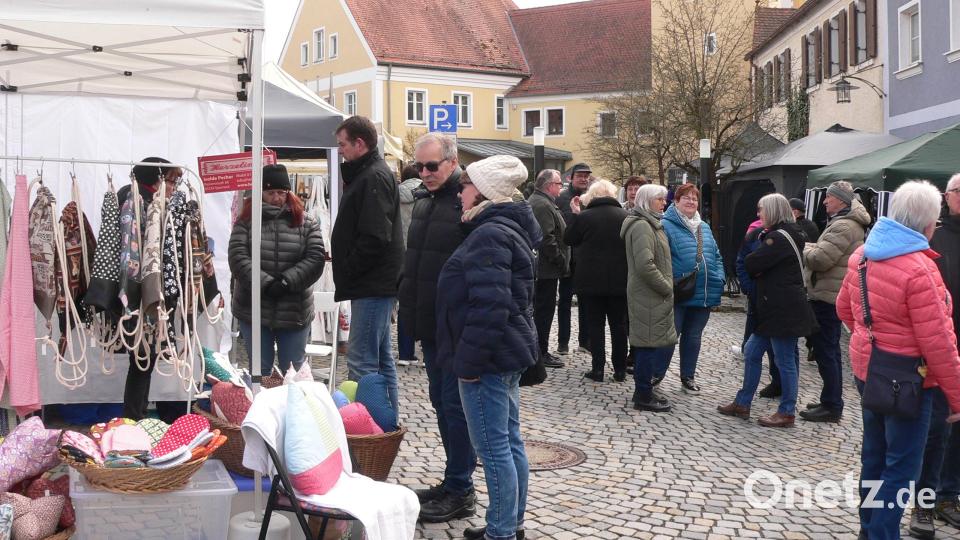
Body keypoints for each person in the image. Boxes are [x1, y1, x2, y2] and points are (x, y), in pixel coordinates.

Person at [836, 180, 960, 539]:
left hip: (869, 370)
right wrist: (956, 396)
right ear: (928, 223)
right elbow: (939, 342)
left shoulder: (862, 255)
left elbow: (845, 309)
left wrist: (869, 338)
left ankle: (868, 529)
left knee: (873, 458)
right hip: (908, 380)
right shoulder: (921, 269)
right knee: (901, 469)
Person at [435, 155, 539, 540]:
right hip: (503, 353)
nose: (459, 193)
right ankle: (510, 525)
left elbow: (490, 306)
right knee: (508, 443)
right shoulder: (500, 228)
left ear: (480, 192)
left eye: (463, 186)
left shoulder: (490, 234)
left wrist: (470, 363)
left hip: (489, 359)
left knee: (496, 449)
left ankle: (501, 532)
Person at [398, 133, 477, 523]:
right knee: (442, 405)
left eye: (432, 166)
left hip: (456, 328)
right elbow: (417, 269)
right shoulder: (426, 202)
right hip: (432, 326)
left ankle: (461, 488)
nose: (425, 173)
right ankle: (454, 480)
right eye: (420, 166)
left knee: (455, 407)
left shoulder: (467, 202)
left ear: (452, 161)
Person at [718, 194, 816, 427]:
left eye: (761, 209)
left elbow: (752, 263)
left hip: (782, 309)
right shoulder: (784, 234)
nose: (759, 214)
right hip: (772, 308)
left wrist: (758, 269)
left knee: (785, 361)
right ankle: (743, 403)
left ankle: (787, 412)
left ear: (772, 211)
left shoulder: (779, 238)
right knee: (751, 352)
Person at [331, 115, 404, 412]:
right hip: (374, 283)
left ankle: (369, 428)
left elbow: (375, 236)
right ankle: (386, 422)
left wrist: (349, 267)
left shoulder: (373, 176)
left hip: (372, 283)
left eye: (343, 145)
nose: (340, 151)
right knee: (381, 360)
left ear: (360, 144)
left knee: (362, 361)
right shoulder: (370, 173)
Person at [229, 164, 326, 376]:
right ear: (261, 193)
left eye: (281, 192)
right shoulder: (245, 222)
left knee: (293, 371)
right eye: (271, 192)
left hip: (294, 309)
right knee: (259, 372)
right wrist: (265, 283)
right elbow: (238, 258)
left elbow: (316, 257)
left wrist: (286, 281)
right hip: (254, 308)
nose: (276, 198)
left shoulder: (306, 222)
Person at [113, 158, 186, 422]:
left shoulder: (127, 197)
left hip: (131, 292)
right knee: (143, 358)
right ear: (158, 180)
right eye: (171, 181)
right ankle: (134, 417)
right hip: (143, 293)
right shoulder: (144, 203)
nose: (174, 187)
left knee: (142, 359)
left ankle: (136, 415)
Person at [911, 173, 960, 539]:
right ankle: (926, 503)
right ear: (948, 196)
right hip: (940, 349)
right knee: (937, 431)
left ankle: (948, 494)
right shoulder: (935, 240)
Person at [798, 181, 870, 423]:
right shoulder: (844, 222)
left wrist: (805, 247)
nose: (825, 201)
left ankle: (832, 404)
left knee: (826, 351)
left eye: (828, 197)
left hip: (828, 297)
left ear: (840, 200)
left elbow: (820, 259)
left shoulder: (843, 226)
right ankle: (830, 399)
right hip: (830, 294)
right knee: (828, 351)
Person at [656, 183, 725, 394]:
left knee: (694, 337)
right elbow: (661, 258)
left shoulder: (703, 226)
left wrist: (719, 277)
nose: (691, 202)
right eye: (686, 198)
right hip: (679, 291)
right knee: (670, 336)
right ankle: (656, 375)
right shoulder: (665, 225)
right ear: (675, 201)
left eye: (694, 198)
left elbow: (717, 255)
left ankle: (688, 376)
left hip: (704, 291)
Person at [564, 180, 629, 382]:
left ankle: (598, 369)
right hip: (620, 280)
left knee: (595, 325)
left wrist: (575, 214)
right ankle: (620, 370)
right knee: (619, 326)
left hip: (590, 281)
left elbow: (569, 239)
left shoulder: (584, 217)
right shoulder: (626, 217)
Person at [622, 184, 675, 412]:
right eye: (660, 199)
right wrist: (666, 288)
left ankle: (644, 390)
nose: (664, 203)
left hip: (650, 293)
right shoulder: (643, 226)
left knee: (650, 343)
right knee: (647, 344)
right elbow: (645, 264)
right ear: (647, 201)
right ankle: (643, 394)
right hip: (648, 294)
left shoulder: (651, 224)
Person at [528, 169, 569, 369]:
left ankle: (539, 349)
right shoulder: (542, 204)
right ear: (549, 185)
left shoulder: (543, 202)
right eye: (559, 183)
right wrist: (561, 260)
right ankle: (539, 352)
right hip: (545, 269)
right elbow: (547, 238)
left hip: (546, 268)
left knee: (543, 310)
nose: (561, 187)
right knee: (543, 311)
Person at [555, 163, 592, 355]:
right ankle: (563, 342)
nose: (584, 179)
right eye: (580, 176)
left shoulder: (591, 199)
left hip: (585, 258)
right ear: (571, 177)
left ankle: (584, 341)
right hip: (567, 257)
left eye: (587, 176)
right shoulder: (561, 198)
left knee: (586, 301)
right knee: (565, 302)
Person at [396, 164, 423, 366]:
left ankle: (405, 353)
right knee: (425, 303)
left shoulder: (394, 194)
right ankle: (426, 351)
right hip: (423, 253)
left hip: (400, 255)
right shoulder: (427, 193)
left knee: (404, 304)